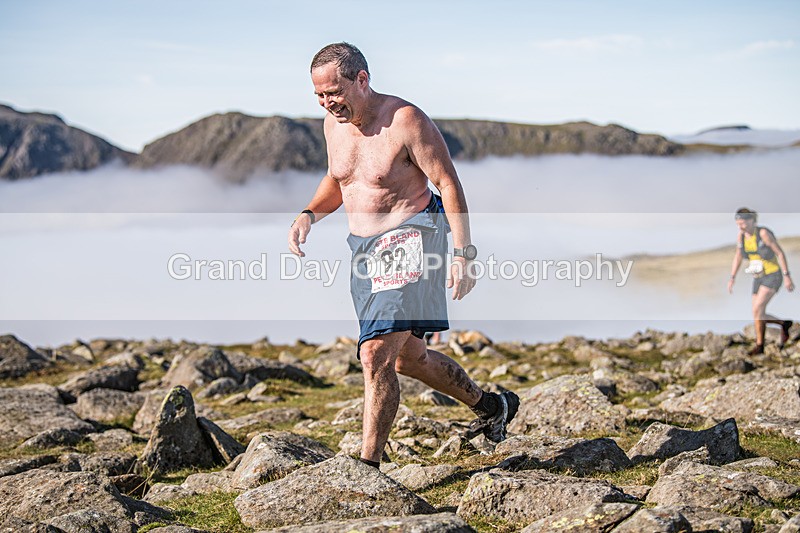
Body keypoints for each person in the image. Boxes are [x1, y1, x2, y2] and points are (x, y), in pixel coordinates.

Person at [287, 42, 519, 467]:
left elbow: (447, 183)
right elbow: (339, 179)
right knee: (409, 359)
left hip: (413, 236)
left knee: (374, 353)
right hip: (364, 248)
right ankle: (491, 406)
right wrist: (309, 214)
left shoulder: (405, 120)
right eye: (319, 95)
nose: (327, 103)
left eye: (334, 92)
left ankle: (368, 468)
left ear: (362, 79)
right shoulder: (332, 124)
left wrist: (463, 253)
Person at [728, 208, 795, 354]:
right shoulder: (741, 237)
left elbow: (779, 253)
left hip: (773, 275)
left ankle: (761, 343)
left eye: (743, 223)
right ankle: (778, 328)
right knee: (757, 312)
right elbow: (738, 256)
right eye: (738, 224)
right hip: (758, 277)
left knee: (758, 309)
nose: (740, 227)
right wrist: (732, 277)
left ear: (752, 221)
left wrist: (787, 276)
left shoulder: (763, 233)